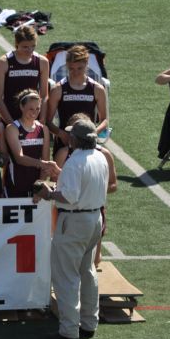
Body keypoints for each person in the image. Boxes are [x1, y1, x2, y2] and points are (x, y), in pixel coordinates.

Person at [33, 118, 110, 339]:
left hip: (74, 221)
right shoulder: (100, 157)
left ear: (76, 140)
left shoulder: (75, 162)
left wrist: (48, 193)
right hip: (94, 217)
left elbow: (69, 196)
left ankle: (69, 329)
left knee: (66, 276)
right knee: (87, 272)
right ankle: (89, 322)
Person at [55, 113, 118, 267]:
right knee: (86, 266)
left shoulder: (102, 155)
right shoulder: (64, 154)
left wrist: (89, 190)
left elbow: (113, 185)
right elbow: (58, 182)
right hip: (78, 213)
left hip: (85, 212)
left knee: (87, 263)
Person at [45, 45, 108, 154]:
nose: (75, 72)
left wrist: (93, 133)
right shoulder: (58, 89)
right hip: (64, 142)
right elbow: (48, 121)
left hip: (88, 142)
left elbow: (104, 120)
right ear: (67, 66)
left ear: (87, 64)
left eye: (80, 68)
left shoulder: (97, 89)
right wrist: (61, 134)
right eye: (71, 68)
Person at [0, 25, 49, 125]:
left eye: (33, 46)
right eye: (25, 47)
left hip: (33, 120)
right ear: (16, 44)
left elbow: (44, 95)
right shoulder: (4, 62)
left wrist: (42, 119)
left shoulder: (42, 62)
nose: (30, 50)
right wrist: (11, 124)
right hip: (10, 117)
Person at [4, 89, 57, 197]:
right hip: (15, 185)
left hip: (36, 187)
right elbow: (19, 158)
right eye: (31, 109)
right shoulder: (12, 128)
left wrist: (39, 186)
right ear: (22, 107)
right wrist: (43, 163)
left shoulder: (43, 129)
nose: (34, 113)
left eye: (37, 109)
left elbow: (45, 160)